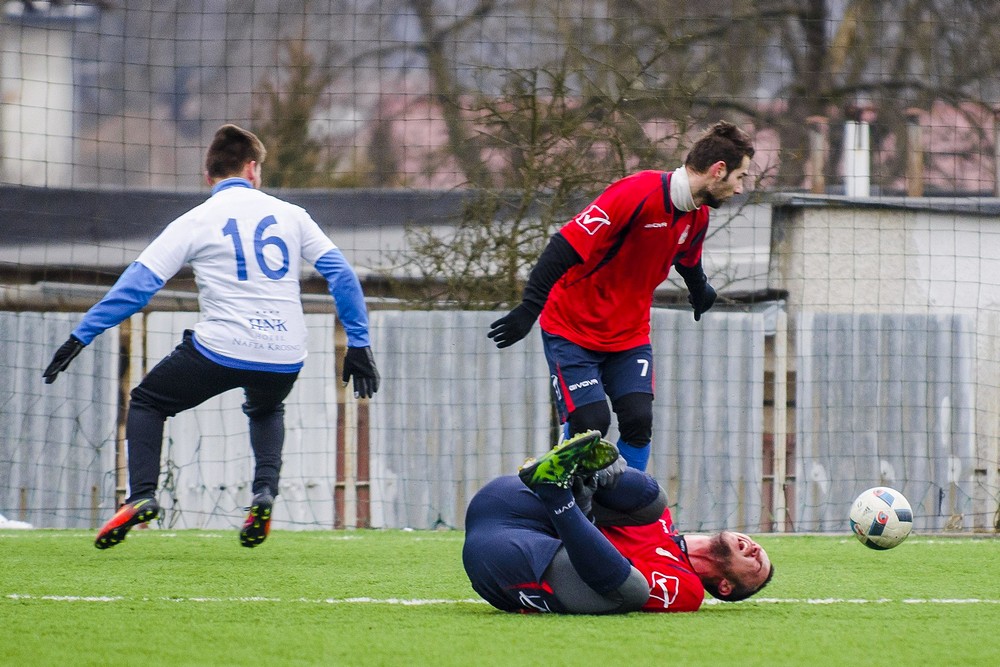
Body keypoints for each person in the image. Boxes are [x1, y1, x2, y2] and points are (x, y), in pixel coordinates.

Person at [42, 124, 380, 550]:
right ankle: (264, 493)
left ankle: (142, 495)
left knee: (147, 402)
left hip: (221, 348)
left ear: (209, 175)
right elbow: (342, 275)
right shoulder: (292, 215)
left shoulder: (195, 220)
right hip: (286, 352)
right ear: (253, 169)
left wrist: (82, 335)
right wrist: (359, 343)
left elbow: (138, 286)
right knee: (266, 406)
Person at [487, 121, 754, 472]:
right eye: (740, 177)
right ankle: (567, 496)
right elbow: (563, 246)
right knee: (591, 423)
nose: (740, 188)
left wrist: (700, 288)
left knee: (638, 420)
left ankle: (630, 502)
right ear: (718, 170)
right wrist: (529, 308)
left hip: (629, 336)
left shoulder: (698, 216)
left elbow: (686, 257)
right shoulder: (635, 193)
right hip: (572, 329)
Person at [462, 430, 773, 614]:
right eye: (759, 548)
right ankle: (584, 469)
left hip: (509, 555)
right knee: (655, 501)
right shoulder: (660, 520)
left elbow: (599, 570)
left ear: (725, 587)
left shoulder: (687, 589)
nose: (756, 550)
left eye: (757, 565)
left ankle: (561, 489)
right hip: (514, 500)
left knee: (633, 590)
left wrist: (581, 507)